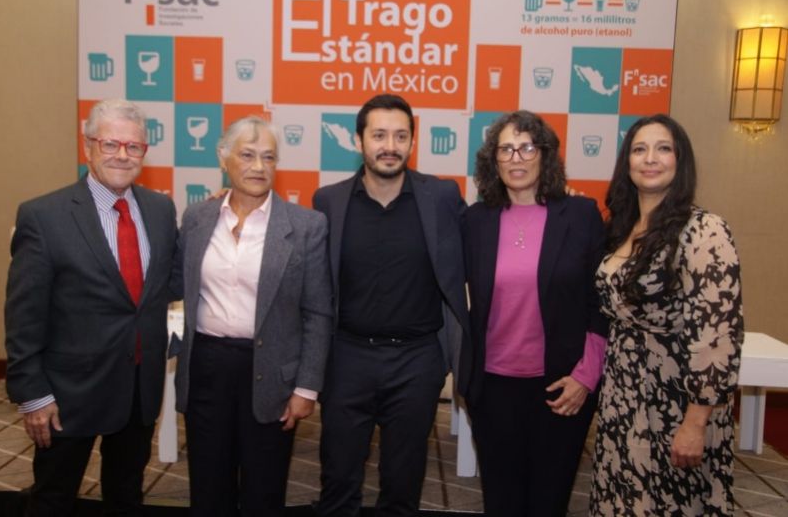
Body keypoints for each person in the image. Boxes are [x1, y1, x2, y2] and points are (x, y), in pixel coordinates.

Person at [5, 98, 179, 515]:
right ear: (88, 147)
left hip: (138, 387)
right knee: (54, 496)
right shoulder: (43, 216)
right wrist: (32, 395)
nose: (123, 155)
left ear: (144, 152)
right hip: (68, 395)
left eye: (133, 146)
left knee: (126, 493)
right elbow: (23, 315)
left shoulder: (160, 210)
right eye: (110, 144)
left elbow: (168, 283)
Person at [313, 93, 469, 517]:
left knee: (403, 483)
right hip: (347, 358)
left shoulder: (441, 197)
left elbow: (486, 235)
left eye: (401, 136)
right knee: (338, 478)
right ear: (358, 140)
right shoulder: (328, 202)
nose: (390, 145)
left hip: (417, 361)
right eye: (379, 135)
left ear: (412, 142)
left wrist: (550, 201)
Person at [172, 117, 333, 516]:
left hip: (272, 374)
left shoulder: (307, 226)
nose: (258, 167)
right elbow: (175, 288)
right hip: (207, 368)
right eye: (247, 155)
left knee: (264, 492)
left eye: (268, 157)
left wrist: (306, 389)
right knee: (208, 488)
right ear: (223, 157)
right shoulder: (197, 218)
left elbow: (318, 313)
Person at [590, 114, 744, 516]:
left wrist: (695, 423)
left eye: (663, 149)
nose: (650, 158)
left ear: (681, 160)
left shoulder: (704, 231)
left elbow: (719, 335)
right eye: (639, 149)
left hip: (675, 404)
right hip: (621, 400)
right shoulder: (620, 229)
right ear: (627, 162)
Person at [458, 110, 608, 516]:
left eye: (527, 147)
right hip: (492, 387)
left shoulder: (580, 216)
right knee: (501, 499)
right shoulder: (474, 221)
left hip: (561, 387)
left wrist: (586, 376)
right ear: (494, 159)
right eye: (506, 148)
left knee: (549, 499)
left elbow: (602, 304)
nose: (517, 157)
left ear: (545, 155)